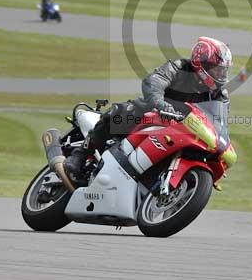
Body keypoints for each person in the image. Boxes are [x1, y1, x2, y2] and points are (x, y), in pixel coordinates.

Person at [65, 36, 233, 177]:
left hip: (181, 129)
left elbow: (219, 124)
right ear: (201, 63)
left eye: (223, 71)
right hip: (152, 113)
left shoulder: (219, 94)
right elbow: (154, 82)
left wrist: (221, 148)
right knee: (119, 114)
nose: (221, 75)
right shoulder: (179, 67)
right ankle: (80, 155)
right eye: (217, 70)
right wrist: (160, 104)